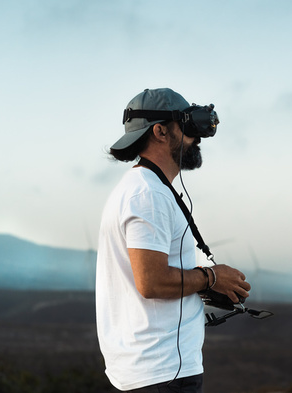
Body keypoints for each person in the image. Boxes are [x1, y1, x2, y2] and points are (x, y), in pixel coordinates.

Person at [96, 88, 251, 392]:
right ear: (161, 132)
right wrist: (211, 278)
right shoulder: (148, 194)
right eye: (189, 128)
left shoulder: (142, 188)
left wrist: (200, 284)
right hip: (163, 371)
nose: (198, 139)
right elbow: (151, 282)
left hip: (149, 369)